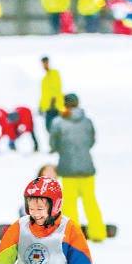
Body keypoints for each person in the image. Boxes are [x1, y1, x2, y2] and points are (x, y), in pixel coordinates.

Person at [50, 93, 107, 242]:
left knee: (70, 205)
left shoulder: (58, 122)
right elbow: (91, 141)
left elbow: (53, 144)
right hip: (87, 168)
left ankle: (73, 237)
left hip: (68, 170)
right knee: (90, 202)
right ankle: (98, 233)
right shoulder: (87, 121)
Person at [40, 56, 65, 132]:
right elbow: (44, 94)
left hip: (55, 106)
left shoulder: (54, 73)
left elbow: (57, 87)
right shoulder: (44, 79)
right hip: (47, 108)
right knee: (49, 128)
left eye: (46, 63)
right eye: (43, 63)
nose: (45, 65)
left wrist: (53, 100)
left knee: (57, 127)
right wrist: (41, 106)